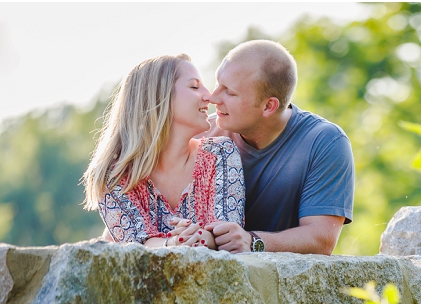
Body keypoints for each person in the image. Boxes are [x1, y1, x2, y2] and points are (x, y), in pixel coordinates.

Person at [203, 40, 355, 254]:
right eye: (218, 84)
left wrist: (252, 241)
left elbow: (322, 238)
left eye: (229, 92)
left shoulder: (324, 142)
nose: (212, 97)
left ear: (268, 106)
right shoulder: (200, 134)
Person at [83, 54, 245, 249]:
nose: (209, 96)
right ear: (160, 97)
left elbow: (226, 234)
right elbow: (134, 246)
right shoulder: (114, 175)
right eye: (194, 86)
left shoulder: (221, 154)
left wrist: (200, 237)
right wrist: (175, 243)